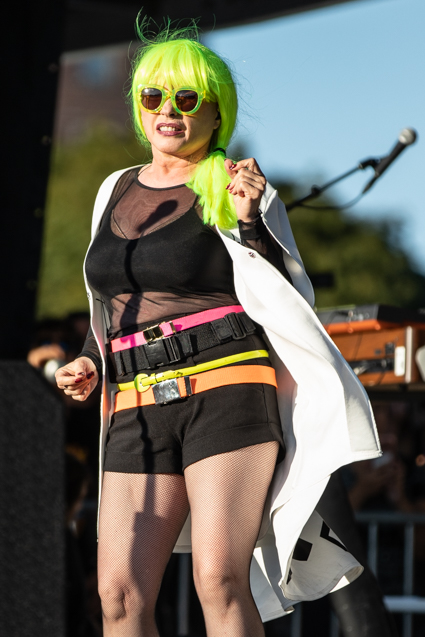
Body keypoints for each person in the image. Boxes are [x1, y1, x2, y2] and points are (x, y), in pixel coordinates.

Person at [56, 22, 381, 637]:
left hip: (226, 390)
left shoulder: (233, 184)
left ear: (215, 111)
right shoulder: (114, 189)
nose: (169, 111)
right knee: (118, 594)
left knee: (220, 581)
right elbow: (108, 304)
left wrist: (251, 221)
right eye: (154, 96)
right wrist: (90, 360)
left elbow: (285, 295)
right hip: (136, 403)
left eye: (187, 98)